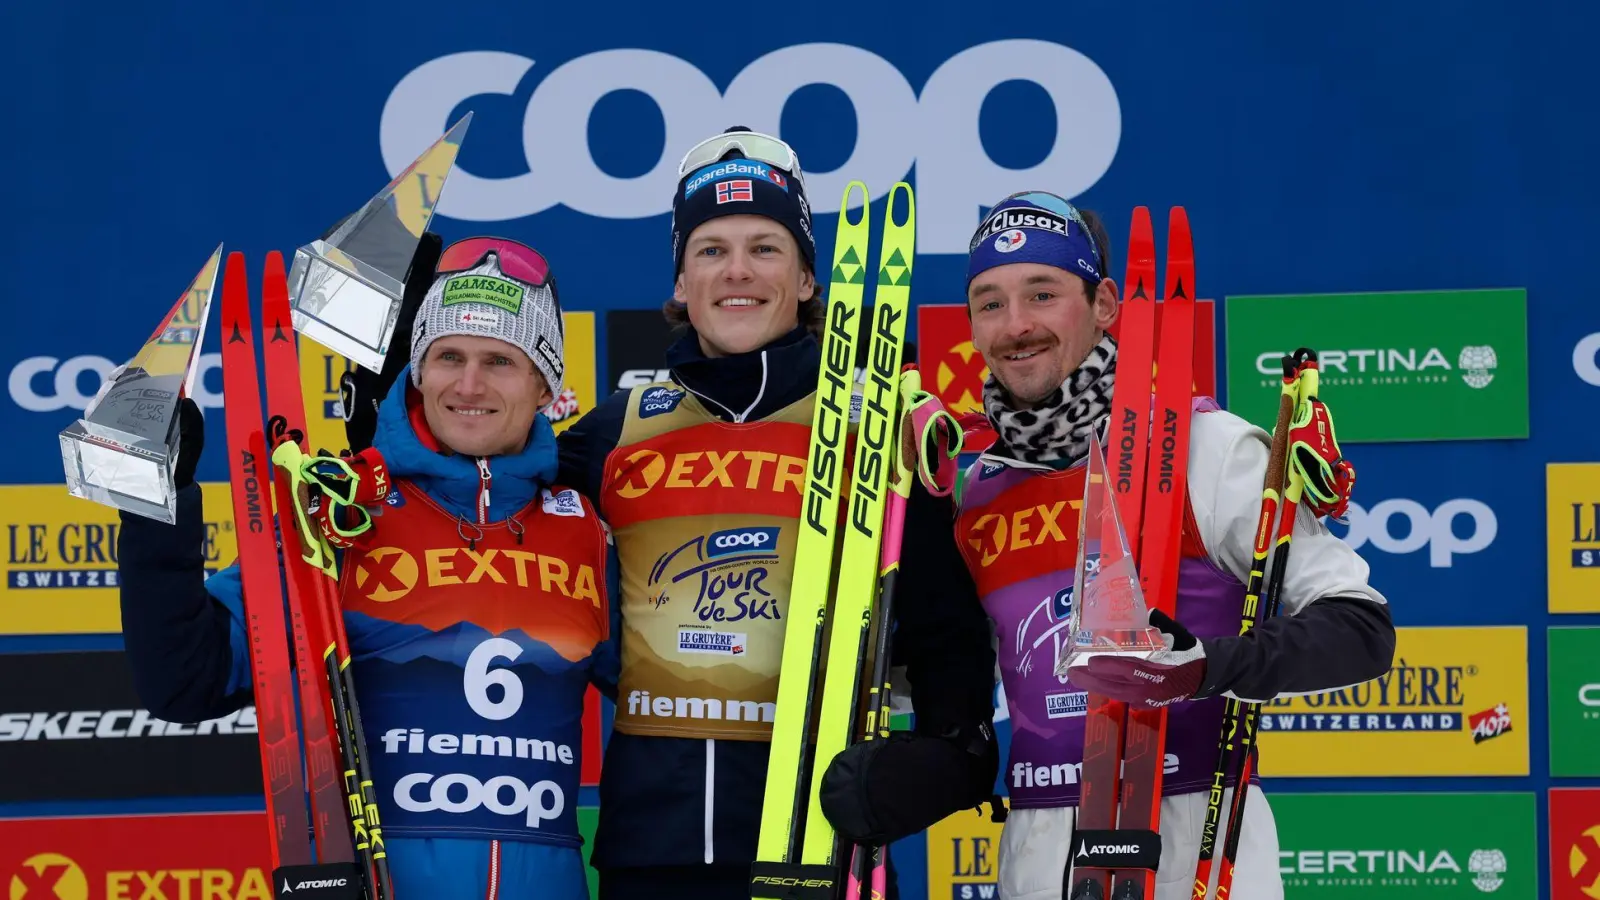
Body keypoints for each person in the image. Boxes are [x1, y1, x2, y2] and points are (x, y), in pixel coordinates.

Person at [834, 191, 1398, 900]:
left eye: (1042, 293)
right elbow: (953, 669)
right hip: (1037, 853)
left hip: (1195, 843)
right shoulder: (974, 488)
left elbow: (1361, 626)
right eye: (990, 302)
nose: (1017, 326)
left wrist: (1205, 667)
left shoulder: (1202, 448)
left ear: (1104, 303)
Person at [554, 127, 1002, 900]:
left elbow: (946, 634)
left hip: (824, 842)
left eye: (765, 248)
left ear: (803, 279)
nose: (737, 272)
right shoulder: (611, 432)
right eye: (710, 250)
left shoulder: (879, 425)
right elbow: (491, 520)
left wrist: (950, 753)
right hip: (649, 854)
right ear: (681, 282)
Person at [116, 236, 616, 900]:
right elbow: (188, 679)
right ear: (418, 370)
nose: (469, 385)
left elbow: (665, 696)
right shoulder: (342, 512)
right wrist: (159, 508)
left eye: (500, 360)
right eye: (448, 357)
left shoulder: (583, 529)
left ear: (545, 383)